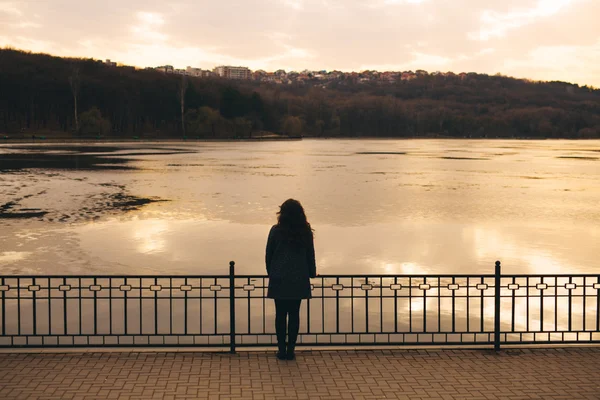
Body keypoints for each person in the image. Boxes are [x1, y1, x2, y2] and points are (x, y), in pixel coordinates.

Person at [265, 199, 317, 360]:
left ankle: (281, 350)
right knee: (294, 314)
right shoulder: (304, 231)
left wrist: (271, 272)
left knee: (280, 315)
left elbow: (269, 255)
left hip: (279, 278)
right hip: (298, 278)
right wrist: (312, 273)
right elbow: (310, 255)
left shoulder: (276, 230)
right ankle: (290, 351)